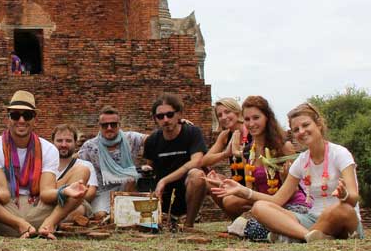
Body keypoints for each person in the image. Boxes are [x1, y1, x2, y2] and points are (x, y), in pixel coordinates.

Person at [210, 102, 363, 242]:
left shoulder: (340, 153)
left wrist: (345, 196)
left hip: (342, 217)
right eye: (296, 129)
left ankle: (294, 235)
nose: (301, 131)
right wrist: (242, 190)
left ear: (319, 124)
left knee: (340, 210)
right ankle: (308, 236)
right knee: (260, 207)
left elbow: (354, 198)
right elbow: (277, 200)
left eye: (306, 125)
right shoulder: (302, 161)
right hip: (312, 219)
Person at [0, 90, 88, 238]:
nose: (21, 120)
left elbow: (46, 194)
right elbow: (4, 194)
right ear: (8, 119)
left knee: (82, 171)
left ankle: (48, 224)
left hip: (38, 206)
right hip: (4, 209)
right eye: (15, 115)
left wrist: (64, 191)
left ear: (34, 119)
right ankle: (20, 225)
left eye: (27, 115)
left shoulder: (48, 149)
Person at [208, 95, 308, 239]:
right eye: (247, 119)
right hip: (264, 206)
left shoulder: (284, 147)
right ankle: (280, 233)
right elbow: (251, 190)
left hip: (291, 205)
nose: (251, 123)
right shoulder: (248, 152)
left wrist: (285, 177)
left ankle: (285, 232)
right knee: (245, 223)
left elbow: (291, 192)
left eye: (256, 118)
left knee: (250, 226)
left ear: (267, 118)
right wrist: (226, 185)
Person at [143, 93, 207, 229]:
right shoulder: (152, 141)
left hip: (187, 193)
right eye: (160, 116)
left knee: (197, 175)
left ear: (179, 114)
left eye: (170, 114)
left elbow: (197, 161)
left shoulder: (192, 133)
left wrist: (165, 180)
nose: (165, 119)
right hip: (163, 196)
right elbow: (150, 169)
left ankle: (189, 224)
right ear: (155, 119)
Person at [78, 105, 146, 218]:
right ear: (99, 126)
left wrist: (180, 125)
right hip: (103, 191)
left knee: (132, 178)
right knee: (100, 216)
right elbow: (78, 165)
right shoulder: (90, 146)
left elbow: (155, 140)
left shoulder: (131, 138)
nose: (109, 128)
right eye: (105, 125)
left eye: (113, 124)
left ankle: (125, 212)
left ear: (119, 125)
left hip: (127, 186)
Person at [51, 124, 97, 221]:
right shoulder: (45, 164)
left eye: (68, 141)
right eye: (59, 141)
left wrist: (69, 195)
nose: (64, 145)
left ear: (75, 143)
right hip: (48, 203)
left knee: (79, 210)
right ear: (52, 143)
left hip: (75, 204)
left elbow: (90, 193)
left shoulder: (86, 165)